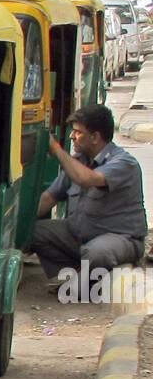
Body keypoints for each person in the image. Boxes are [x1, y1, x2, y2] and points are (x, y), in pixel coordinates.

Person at [29, 105, 148, 294]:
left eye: (78, 132)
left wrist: (56, 150)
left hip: (119, 238)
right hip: (79, 236)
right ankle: (69, 277)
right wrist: (14, 227)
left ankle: (85, 287)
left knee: (97, 253)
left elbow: (86, 179)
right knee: (32, 231)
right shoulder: (79, 162)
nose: (72, 137)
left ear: (95, 137)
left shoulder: (124, 163)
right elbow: (48, 198)